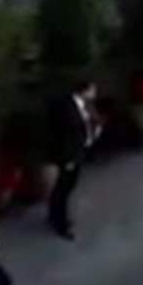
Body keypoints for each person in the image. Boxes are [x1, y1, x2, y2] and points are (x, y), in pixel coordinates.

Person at [46, 79, 99, 240]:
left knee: (68, 187)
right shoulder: (67, 108)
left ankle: (55, 214)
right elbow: (64, 135)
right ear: (84, 90)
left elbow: (88, 121)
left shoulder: (85, 104)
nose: (95, 93)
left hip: (79, 153)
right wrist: (67, 159)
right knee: (63, 188)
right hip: (69, 156)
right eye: (92, 90)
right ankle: (59, 223)